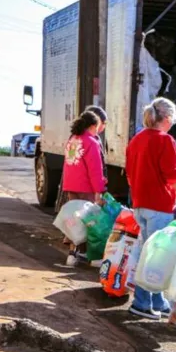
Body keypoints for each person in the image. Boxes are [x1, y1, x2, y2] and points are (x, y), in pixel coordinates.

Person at [125, 97, 176, 320]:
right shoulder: (165, 141)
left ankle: (156, 301)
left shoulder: (137, 139)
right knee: (155, 257)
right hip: (159, 205)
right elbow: (173, 175)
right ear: (167, 118)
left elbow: (129, 173)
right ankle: (142, 302)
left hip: (140, 203)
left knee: (148, 251)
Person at [61, 110, 107, 266]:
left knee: (74, 221)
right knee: (91, 222)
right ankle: (93, 258)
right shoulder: (91, 142)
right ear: (93, 125)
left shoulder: (73, 140)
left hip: (71, 187)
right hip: (86, 188)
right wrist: (98, 191)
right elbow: (95, 170)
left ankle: (72, 255)